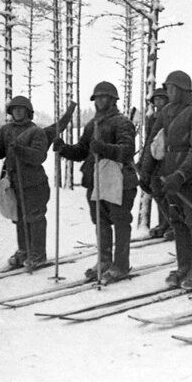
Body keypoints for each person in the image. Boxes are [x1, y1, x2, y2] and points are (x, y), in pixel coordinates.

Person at [55, 82, 137, 283]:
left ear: (113, 100)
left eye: (104, 97)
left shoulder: (122, 122)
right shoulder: (92, 124)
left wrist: (105, 148)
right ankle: (104, 260)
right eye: (97, 97)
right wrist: (64, 149)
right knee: (100, 222)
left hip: (119, 181)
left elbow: (127, 150)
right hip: (97, 182)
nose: (100, 101)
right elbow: (83, 151)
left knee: (120, 222)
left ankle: (121, 265)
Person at [139, 71, 192, 291]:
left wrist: (181, 174)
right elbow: (152, 143)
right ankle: (184, 267)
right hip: (169, 177)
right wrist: (146, 172)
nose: (168, 92)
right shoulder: (165, 112)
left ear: (183, 89)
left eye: (171, 88)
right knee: (179, 224)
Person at [0, 96, 50, 270]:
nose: (17, 112)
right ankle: (24, 251)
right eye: (14, 109)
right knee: (20, 219)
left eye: (21, 109)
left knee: (35, 218)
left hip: (34, 183)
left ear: (28, 112)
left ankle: (38, 254)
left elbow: (39, 156)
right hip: (14, 183)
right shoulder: (6, 131)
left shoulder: (36, 131)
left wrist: (20, 150)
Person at [144, 88, 173, 240]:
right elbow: (149, 140)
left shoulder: (172, 116)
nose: (158, 102)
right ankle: (164, 223)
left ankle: (174, 224)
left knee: (170, 194)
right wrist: (144, 163)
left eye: (162, 99)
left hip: (169, 161)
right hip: (155, 161)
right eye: (156, 99)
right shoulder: (152, 119)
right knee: (157, 193)